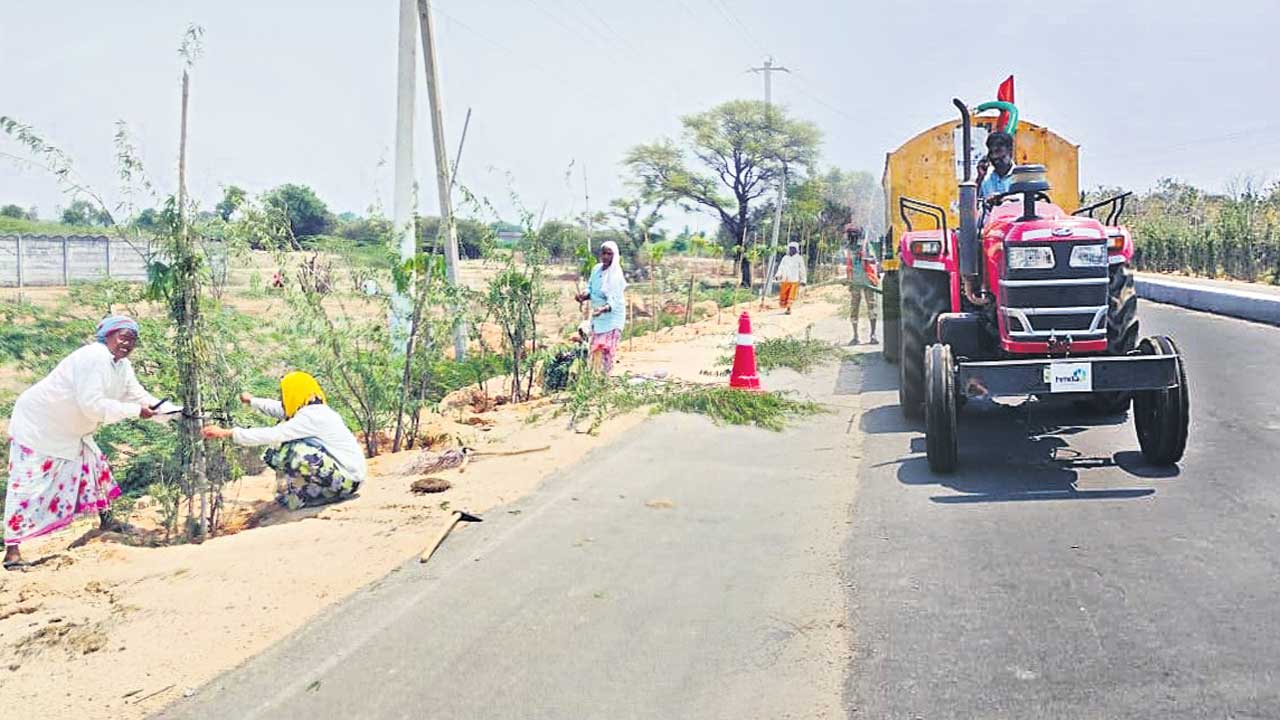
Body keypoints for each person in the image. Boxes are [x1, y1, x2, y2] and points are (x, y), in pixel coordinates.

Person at [4, 315, 162, 570]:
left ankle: (107, 519)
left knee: (95, 467)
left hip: (70, 429)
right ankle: (12, 553)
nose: (127, 343)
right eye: (122, 337)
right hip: (38, 426)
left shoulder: (122, 366)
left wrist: (176, 411)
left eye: (132, 339)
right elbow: (92, 406)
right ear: (107, 336)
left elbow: (141, 396)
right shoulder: (94, 357)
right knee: (26, 488)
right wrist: (135, 411)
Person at [201, 372, 367, 510]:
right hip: (350, 479)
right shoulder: (313, 411)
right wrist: (253, 401)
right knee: (288, 448)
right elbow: (281, 409)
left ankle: (313, 495)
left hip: (347, 482)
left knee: (291, 450)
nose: (283, 397)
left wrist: (227, 433)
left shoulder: (312, 417)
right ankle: (313, 492)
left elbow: (273, 434)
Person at [573, 240, 627, 374]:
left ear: (614, 256)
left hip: (612, 317)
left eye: (609, 254)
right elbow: (591, 288)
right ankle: (595, 375)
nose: (606, 257)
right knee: (595, 347)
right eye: (603, 253)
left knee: (606, 349)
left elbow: (615, 299)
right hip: (598, 317)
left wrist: (603, 309)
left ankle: (604, 376)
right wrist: (583, 296)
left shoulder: (616, 275)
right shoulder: (596, 269)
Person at [844, 226, 880, 345]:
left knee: (872, 308)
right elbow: (848, 265)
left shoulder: (866, 246)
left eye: (852, 235)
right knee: (854, 309)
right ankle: (855, 336)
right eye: (849, 235)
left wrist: (866, 258)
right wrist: (849, 280)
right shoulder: (848, 248)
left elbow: (875, 260)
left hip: (868, 281)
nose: (851, 237)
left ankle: (873, 335)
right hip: (855, 282)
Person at [978, 130, 1016, 201]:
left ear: (1010, 151)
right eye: (991, 152)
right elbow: (975, 205)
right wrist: (980, 177)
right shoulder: (985, 180)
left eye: (998, 151)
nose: (994, 156)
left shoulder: (1021, 178)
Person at [774, 242, 807, 315]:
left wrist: (803, 280)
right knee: (784, 295)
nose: (792, 250)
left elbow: (802, 270)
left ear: (796, 249)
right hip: (785, 280)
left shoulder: (799, 258)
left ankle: (789, 308)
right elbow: (781, 267)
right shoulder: (785, 258)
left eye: (793, 248)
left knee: (791, 295)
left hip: (794, 280)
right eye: (790, 248)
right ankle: (786, 307)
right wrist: (778, 275)